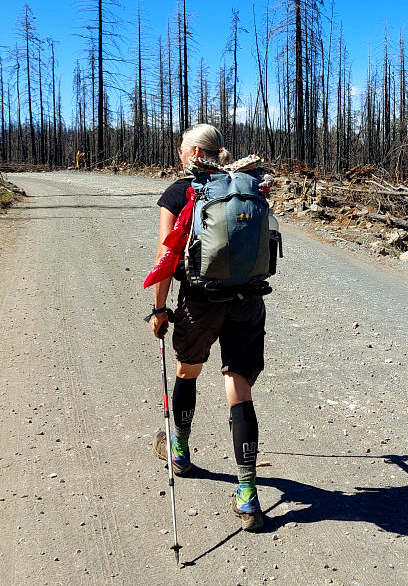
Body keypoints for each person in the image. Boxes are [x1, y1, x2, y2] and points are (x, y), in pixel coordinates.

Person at [147, 123, 267, 531]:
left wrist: (159, 308)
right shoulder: (244, 184)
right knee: (239, 386)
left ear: (194, 152)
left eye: (182, 148)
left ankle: (179, 449)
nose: (179, 154)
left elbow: (168, 252)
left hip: (201, 299)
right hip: (248, 298)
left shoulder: (181, 191)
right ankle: (247, 493)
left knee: (188, 369)